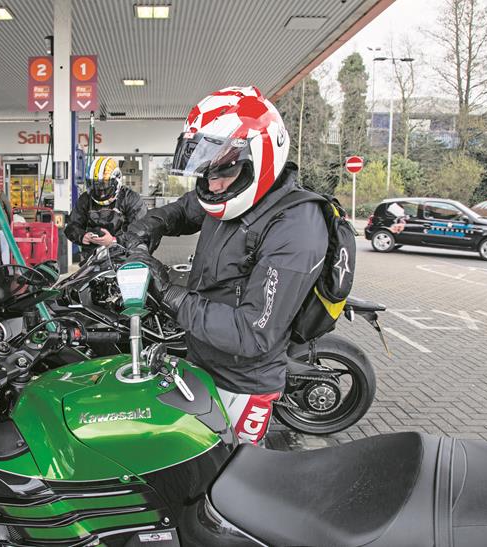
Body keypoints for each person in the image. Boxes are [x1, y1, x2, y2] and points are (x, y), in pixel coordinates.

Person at [121, 87, 329, 445]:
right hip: (203, 362)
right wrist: (146, 227)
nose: (212, 184)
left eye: (223, 170)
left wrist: (167, 292)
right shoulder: (227, 191)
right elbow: (183, 210)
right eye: (205, 172)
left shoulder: (297, 228)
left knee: (230, 478)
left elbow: (252, 333)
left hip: (244, 383)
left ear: (262, 159)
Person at [64, 156, 148, 261]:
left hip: (126, 257)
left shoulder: (131, 199)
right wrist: (82, 236)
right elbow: (72, 226)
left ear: (116, 181)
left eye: (104, 185)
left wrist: (114, 240)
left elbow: (142, 231)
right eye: (95, 185)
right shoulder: (85, 199)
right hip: (93, 258)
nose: (100, 190)